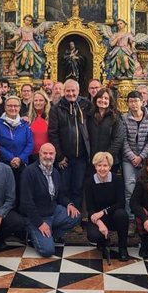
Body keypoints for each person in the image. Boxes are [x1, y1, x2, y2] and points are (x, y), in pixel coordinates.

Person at [21, 143, 80, 257]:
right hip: (36, 217)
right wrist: (40, 223)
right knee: (47, 251)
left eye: (51, 153)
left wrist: (69, 204)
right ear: (39, 154)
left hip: (52, 211)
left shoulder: (55, 172)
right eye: (45, 153)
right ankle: (34, 235)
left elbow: (60, 195)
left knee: (76, 216)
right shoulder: (29, 172)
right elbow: (26, 202)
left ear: (55, 155)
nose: (48, 156)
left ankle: (49, 234)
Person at [48, 79, 92, 222]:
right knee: (64, 188)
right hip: (64, 158)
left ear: (78, 91)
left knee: (78, 188)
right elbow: (53, 133)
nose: (71, 93)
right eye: (68, 91)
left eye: (73, 90)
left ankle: (76, 219)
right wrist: (59, 156)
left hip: (81, 157)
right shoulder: (56, 108)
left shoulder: (86, 105)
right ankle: (64, 218)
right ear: (63, 91)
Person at [84, 152, 129, 261]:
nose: (102, 169)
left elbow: (121, 203)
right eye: (99, 165)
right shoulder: (89, 182)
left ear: (110, 166)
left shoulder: (117, 180)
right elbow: (90, 209)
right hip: (98, 218)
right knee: (93, 235)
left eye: (105, 165)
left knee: (122, 214)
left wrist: (103, 212)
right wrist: (99, 223)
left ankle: (123, 248)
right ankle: (103, 243)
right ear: (95, 166)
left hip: (114, 216)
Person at [0, 95, 33, 204]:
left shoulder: (25, 124)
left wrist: (20, 158)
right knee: (6, 192)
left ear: (20, 108)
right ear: (5, 107)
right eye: (10, 106)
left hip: (22, 164)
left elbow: (30, 144)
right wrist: (11, 158)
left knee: (22, 191)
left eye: (15, 106)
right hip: (5, 163)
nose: (13, 108)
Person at [121, 91, 148, 224]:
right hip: (128, 159)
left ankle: (143, 218)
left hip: (145, 159)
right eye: (131, 101)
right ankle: (130, 219)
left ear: (142, 102)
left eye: (136, 100)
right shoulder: (124, 118)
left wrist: (141, 157)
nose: (134, 103)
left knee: (144, 188)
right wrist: (132, 157)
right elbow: (122, 140)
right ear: (128, 103)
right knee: (129, 188)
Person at [87, 88, 124, 174]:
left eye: (106, 98)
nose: (103, 100)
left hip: (110, 161)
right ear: (96, 99)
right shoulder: (90, 116)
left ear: (110, 101)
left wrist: (106, 157)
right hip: (93, 160)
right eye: (100, 97)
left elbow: (118, 139)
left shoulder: (116, 116)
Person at [27, 89, 50, 162]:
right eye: (36, 100)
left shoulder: (51, 117)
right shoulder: (27, 119)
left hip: (47, 154)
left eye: (41, 100)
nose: (38, 102)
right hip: (31, 155)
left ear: (45, 102)